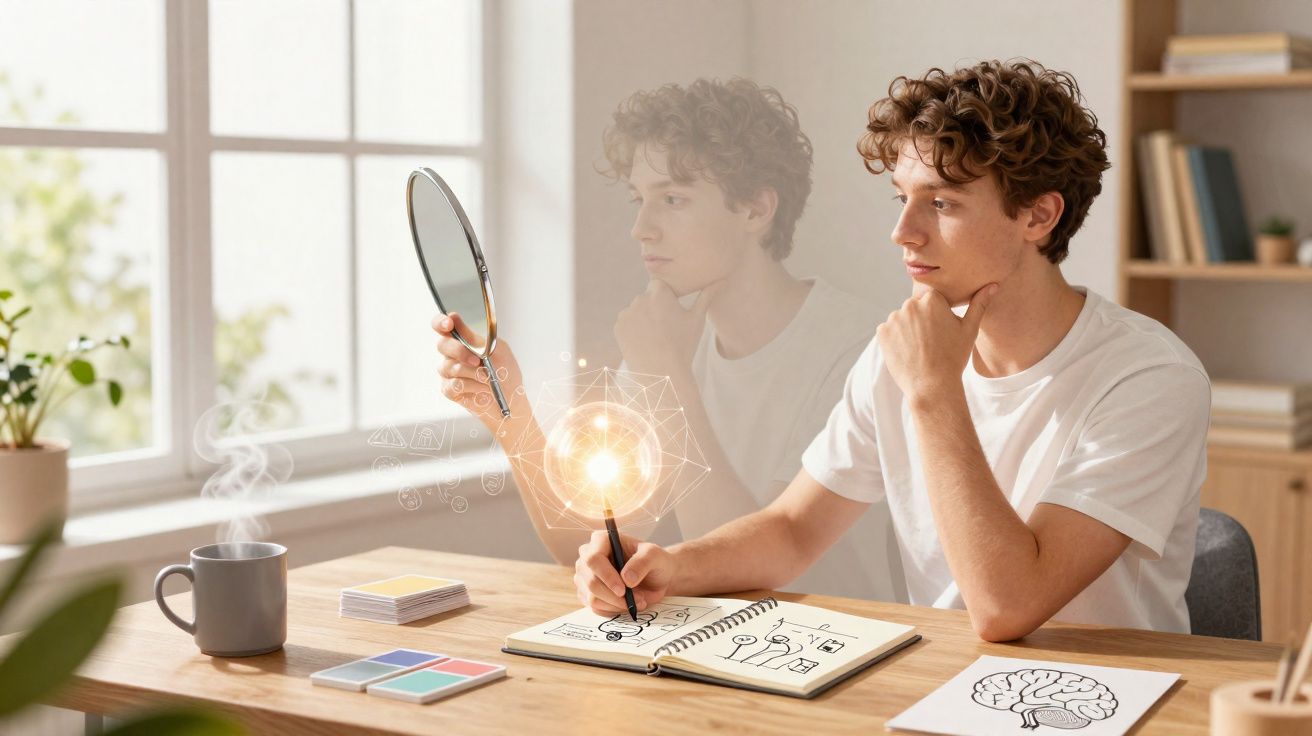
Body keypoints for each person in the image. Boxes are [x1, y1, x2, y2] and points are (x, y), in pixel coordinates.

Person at [570, 59, 1212, 641]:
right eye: (902, 199)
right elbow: (793, 531)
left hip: (1110, 701)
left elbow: (1005, 608)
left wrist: (934, 392)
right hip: (937, 685)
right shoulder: (899, 354)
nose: (903, 232)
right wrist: (669, 566)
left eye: (942, 202)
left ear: (1038, 217)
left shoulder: (1149, 377)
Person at [434, 78, 897, 599]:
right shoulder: (669, 339)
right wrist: (509, 414)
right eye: (639, 199)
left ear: (755, 210)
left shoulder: (860, 346)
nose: (641, 228)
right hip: (735, 648)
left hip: (845, 645)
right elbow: (587, 546)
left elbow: (764, 565)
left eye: (672, 199)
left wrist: (668, 373)